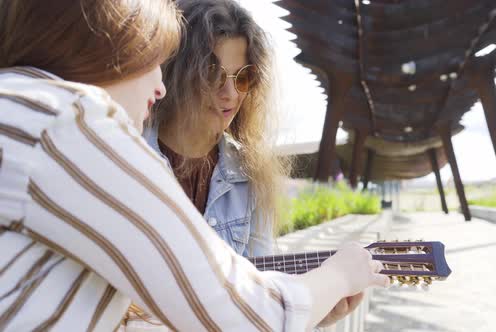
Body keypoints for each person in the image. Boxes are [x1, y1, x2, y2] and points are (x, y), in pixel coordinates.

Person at [0, 1, 390, 331]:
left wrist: (303, 306)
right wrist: (340, 274)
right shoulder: (67, 119)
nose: (161, 85)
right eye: (149, 56)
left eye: (243, 78)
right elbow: (242, 312)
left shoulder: (21, 108)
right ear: (106, 45)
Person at [144, 0, 285, 258]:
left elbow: (264, 282)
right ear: (177, 73)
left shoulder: (252, 176)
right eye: (211, 74)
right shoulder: (128, 152)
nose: (230, 94)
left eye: (242, 77)